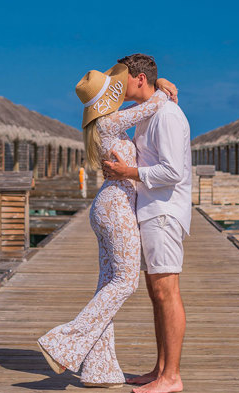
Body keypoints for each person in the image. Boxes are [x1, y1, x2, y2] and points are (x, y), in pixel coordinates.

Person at [37, 62, 177, 388]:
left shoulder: (101, 124)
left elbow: (141, 104)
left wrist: (160, 81)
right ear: (107, 100)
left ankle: (100, 368)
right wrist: (163, 83)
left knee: (107, 285)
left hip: (106, 206)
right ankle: (63, 342)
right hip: (116, 207)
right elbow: (155, 103)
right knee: (125, 284)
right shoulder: (113, 122)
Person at [103, 53, 191, 393]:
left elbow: (173, 171)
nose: (116, 85)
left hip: (165, 212)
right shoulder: (151, 111)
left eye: (122, 78)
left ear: (139, 78)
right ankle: (161, 369)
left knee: (167, 292)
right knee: (157, 294)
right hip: (151, 210)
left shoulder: (166, 115)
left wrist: (126, 172)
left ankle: (173, 377)